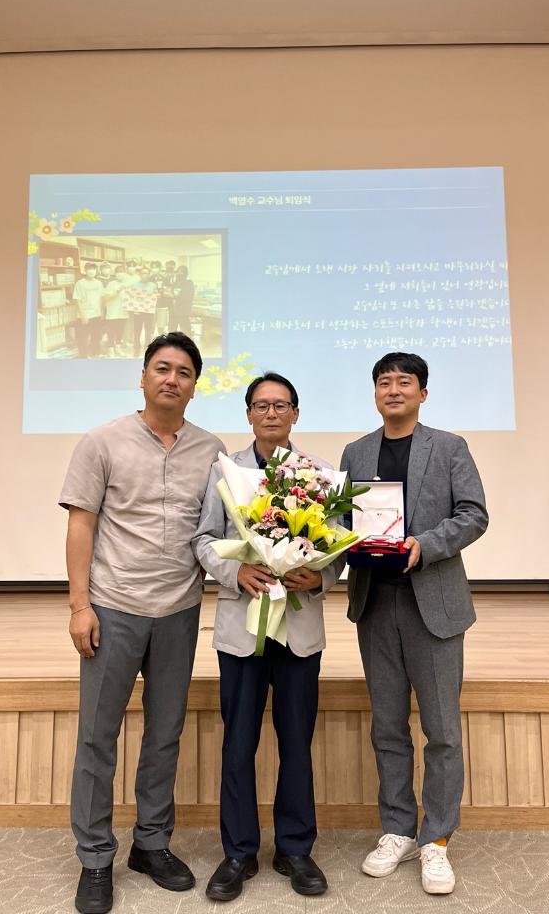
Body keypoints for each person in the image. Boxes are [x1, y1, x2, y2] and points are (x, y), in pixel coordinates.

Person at [59, 332, 226, 914]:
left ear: (195, 385)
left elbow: (218, 531)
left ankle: (151, 844)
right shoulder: (102, 441)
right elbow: (81, 524)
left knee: (164, 734)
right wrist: (79, 606)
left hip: (179, 610)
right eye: (162, 368)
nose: (171, 379)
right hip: (113, 607)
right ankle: (95, 856)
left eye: (184, 372)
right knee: (98, 736)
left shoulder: (211, 450)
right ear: (143, 376)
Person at [340, 352, 488, 895]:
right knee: (387, 726)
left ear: (422, 394)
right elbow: (341, 522)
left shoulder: (448, 447)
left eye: (405, 382)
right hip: (376, 605)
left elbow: (474, 514)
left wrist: (424, 545)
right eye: (385, 382)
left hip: (435, 605)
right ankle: (398, 829)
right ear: (375, 393)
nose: (394, 390)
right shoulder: (356, 452)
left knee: (442, 730)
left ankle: (437, 838)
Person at [192, 373, 342, 902]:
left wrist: (320, 578)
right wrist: (236, 573)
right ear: (248, 414)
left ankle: (295, 849)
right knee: (238, 743)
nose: (271, 413)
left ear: (295, 414)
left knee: (296, 743)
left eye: (281, 405)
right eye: (261, 405)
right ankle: (238, 851)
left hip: (298, 630)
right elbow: (204, 540)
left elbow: (339, 548)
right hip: (243, 629)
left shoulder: (320, 474)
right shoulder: (226, 471)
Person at [72, 262, 105, 357]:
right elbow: (77, 300)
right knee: (82, 338)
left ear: (96, 271)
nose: (91, 271)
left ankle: (96, 353)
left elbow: (102, 298)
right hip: (84, 315)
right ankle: (83, 356)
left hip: (96, 315)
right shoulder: (80, 283)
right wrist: (83, 315)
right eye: (89, 269)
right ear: (85, 271)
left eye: (93, 269)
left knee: (96, 337)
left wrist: (102, 312)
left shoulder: (99, 283)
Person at [102, 265, 129, 356]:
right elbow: (106, 298)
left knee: (120, 331)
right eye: (118, 272)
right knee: (111, 331)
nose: (120, 274)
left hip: (123, 312)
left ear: (125, 274)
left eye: (122, 272)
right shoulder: (111, 284)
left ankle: (117, 347)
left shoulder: (127, 284)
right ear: (115, 274)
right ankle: (110, 349)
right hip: (112, 312)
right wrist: (118, 290)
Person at [170, 265, 195, 335]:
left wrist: (175, 297)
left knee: (185, 331)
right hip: (173, 311)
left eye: (182, 272)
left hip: (183, 312)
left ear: (186, 274)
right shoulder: (175, 283)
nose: (179, 274)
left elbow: (188, 297)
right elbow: (171, 293)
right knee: (172, 331)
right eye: (178, 272)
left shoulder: (189, 283)